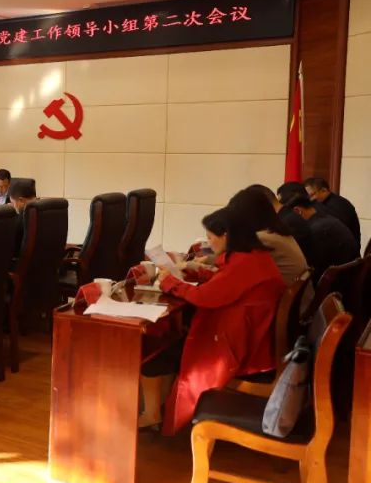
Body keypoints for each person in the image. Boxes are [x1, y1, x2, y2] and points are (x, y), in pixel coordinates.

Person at [142, 207, 285, 434]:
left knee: (156, 352)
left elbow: (205, 297)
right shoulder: (254, 255)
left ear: (226, 236)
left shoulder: (245, 262)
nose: (209, 243)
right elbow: (228, 282)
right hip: (252, 338)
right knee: (170, 341)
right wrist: (200, 272)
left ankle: (153, 413)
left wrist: (170, 282)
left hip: (239, 348)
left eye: (210, 237)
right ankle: (160, 409)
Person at [229, 186, 309, 284]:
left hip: (286, 291)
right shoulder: (277, 231)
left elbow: (236, 268)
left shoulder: (263, 238)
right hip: (297, 289)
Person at [289, 196, 360, 279]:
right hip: (354, 274)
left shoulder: (315, 230)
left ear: (297, 211)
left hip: (342, 280)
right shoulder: (328, 219)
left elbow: (316, 267)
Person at [304, 176, 361, 247]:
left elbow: (338, 230)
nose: (310, 199)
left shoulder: (340, 204)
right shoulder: (319, 202)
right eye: (308, 196)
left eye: (312, 195)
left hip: (345, 249)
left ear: (324, 190)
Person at [7, 178, 37, 263]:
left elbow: (11, 248)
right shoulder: (47, 210)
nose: (12, 206)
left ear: (21, 200)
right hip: (44, 264)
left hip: (22, 265)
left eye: (13, 203)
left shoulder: (22, 219)